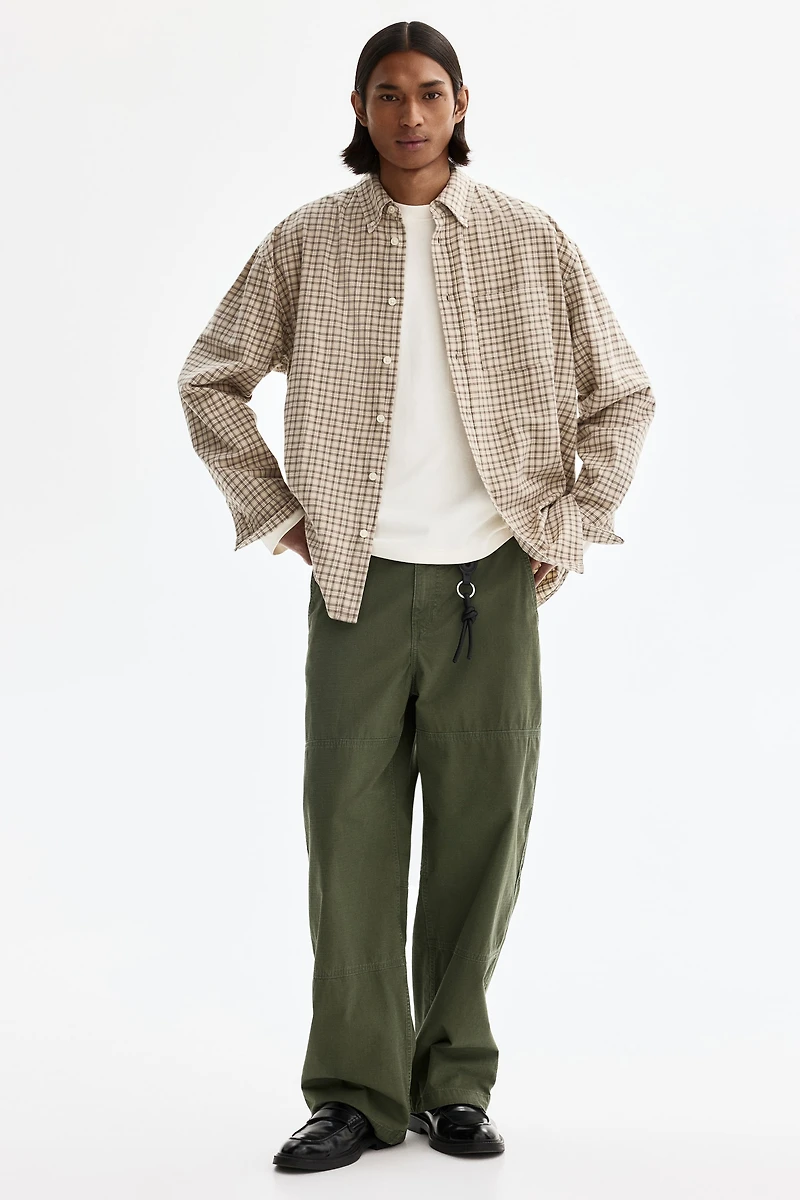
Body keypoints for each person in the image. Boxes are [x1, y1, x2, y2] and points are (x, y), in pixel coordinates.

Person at [177, 19, 655, 1174]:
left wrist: (568, 524)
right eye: (386, 94)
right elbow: (211, 377)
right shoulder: (307, 240)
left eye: (429, 92)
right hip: (356, 587)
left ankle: (453, 1085)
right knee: (347, 840)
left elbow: (622, 394)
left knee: (480, 840)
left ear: (460, 103)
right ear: (357, 108)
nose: (409, 113)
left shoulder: (528, 238)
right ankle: (352, 1093)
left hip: (493, 582)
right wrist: (278, 510)